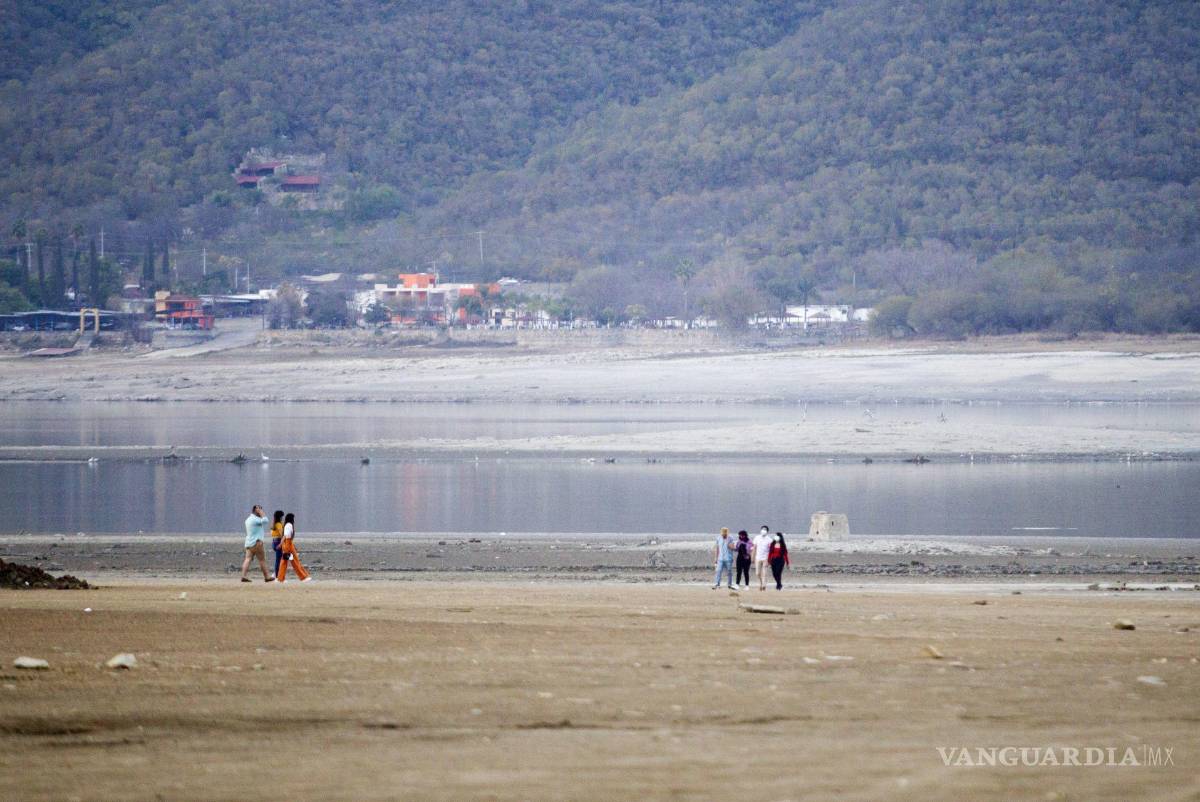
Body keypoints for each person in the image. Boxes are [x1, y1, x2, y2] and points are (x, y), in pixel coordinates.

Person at [241, 505, 275, 583]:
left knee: (248, 559)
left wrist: (260, 512)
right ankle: (267, 576)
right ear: (256, 510)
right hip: (257, 542)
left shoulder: (248, 519)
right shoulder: (255, 519)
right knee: (262, 560)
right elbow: (266, 520)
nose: (261, 511)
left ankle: (243, 575)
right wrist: (261, 512)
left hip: (249, 542)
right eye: (260, 509)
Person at [276, 512, 312, 583]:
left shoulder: (287, 525)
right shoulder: (289, 525)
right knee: (295, 562)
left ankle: (280, 578)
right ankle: (303, 577)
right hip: (288, 545)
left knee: (284, 562)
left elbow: (285, 537)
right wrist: (281, 544)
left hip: (288, 544)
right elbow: (286, 536)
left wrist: (284, 545)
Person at [751, 525, 773, 591]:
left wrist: (769, 559)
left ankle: (764, 585)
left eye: (765, 529)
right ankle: (760, 583)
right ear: (760, 530)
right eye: (762, 529)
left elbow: (771, 551)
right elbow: (754, 548)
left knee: (764, 573)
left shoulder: (770, 540)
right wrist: (752, 557)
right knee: (757, 573)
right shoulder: (757, 538)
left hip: (765, 558)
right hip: (758, 558)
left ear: (767, 531)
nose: (763, 530)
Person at [270, 510, 285, 577]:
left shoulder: (273, 524)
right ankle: (277, 575)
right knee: (278, 560)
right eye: (282, 516)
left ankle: (276, 573)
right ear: (280, 517)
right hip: (278, 542)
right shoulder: (278, 524)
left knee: (279, 559)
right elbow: (282, 534)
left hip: (274, 542)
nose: (283, 518)